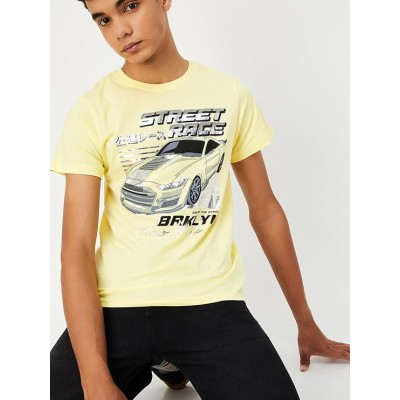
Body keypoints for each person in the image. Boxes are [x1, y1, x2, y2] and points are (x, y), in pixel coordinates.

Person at [50, 0, 350, 399]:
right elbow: (75, 249)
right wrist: (94, 380)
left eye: (130, 5)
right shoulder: (91, 109)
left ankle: (172, 361)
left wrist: (305, 322)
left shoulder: (228, 93)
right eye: (104, 20)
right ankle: (164, 361)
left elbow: (265, 211)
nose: (120, 29)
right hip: (116, 307)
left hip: (209, 302)